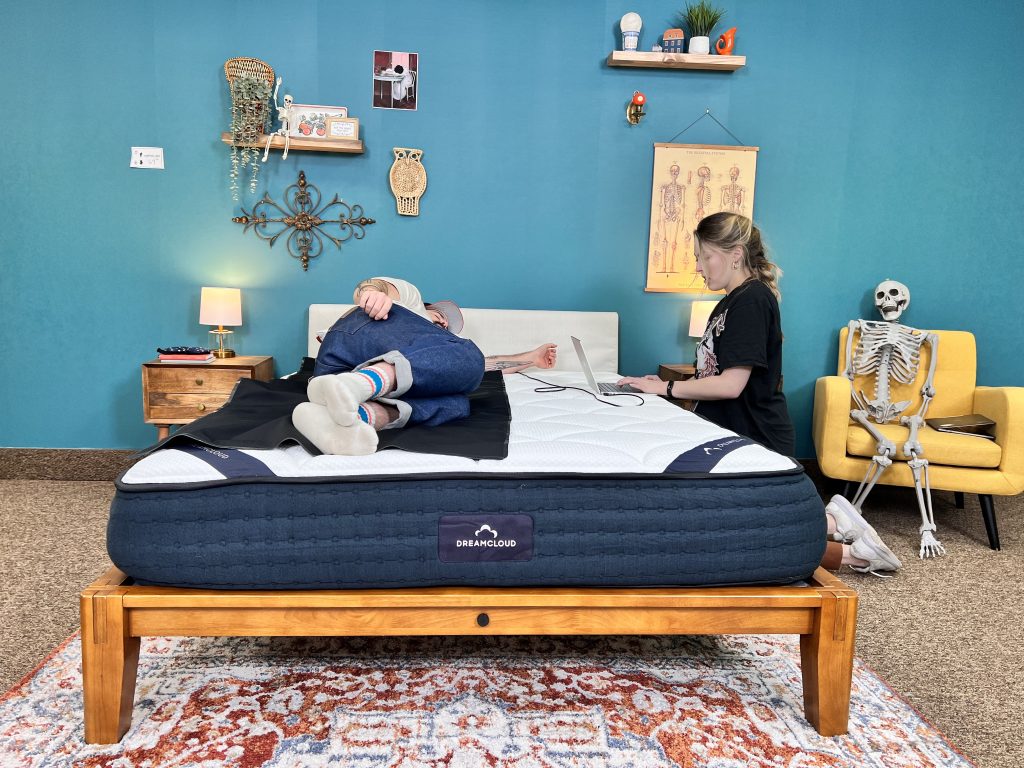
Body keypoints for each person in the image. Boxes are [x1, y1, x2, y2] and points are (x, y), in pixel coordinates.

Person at [618, 212, 900, 575]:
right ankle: (840, 534)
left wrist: (667, 387)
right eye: (697, 259)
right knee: (733, 532)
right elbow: (713, 373)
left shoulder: (751, 300)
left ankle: (837, 532)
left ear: (735, 253)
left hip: (755, 436)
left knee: (742, 536)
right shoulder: (730, 301)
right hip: (731, 434)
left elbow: (731, 384)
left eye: (705, 257)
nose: (700, 268)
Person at [292, 276, 556, 456]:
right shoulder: (410, 304)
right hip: (360, 333)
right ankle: (357, 385)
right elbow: (376, 284)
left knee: (458, 404)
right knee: (467, 353)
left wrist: (532, 358)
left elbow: (480, 366)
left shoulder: (433, 355)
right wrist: (371, 293)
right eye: (440, 317)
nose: (443, 326)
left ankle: (355, 417)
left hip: (331, 375)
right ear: (426, 308)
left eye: (446, 328)